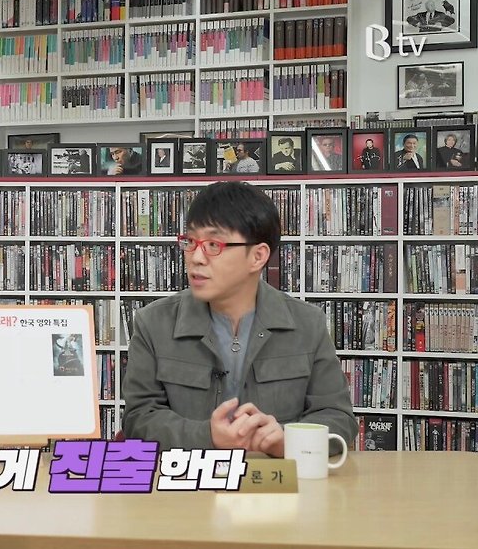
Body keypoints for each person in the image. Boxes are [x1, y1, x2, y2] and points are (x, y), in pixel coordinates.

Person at [122, 181, 356, 456]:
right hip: (190, 479)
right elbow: (138, 418)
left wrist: (288, 440)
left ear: (257, 256)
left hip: (275, 479)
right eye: (190, 242)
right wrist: (207, 436)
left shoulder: (308, 324)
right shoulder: (153, 323)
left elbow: (338, 418)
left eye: (213, 244)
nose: (196, 258)